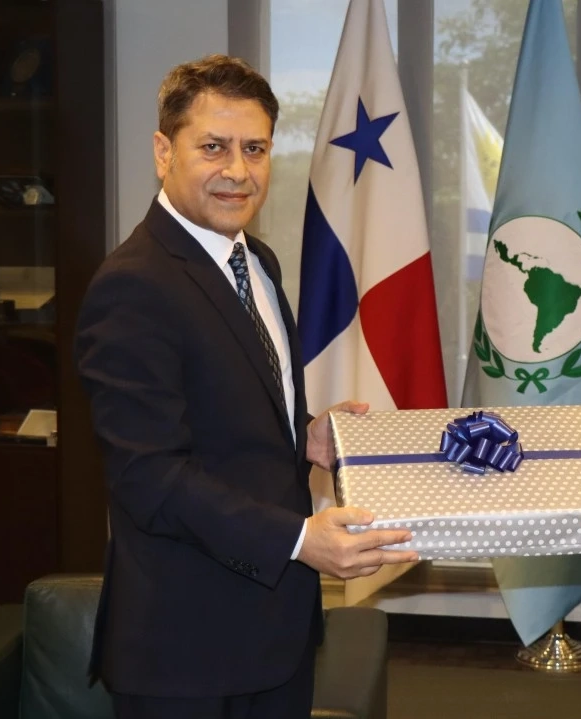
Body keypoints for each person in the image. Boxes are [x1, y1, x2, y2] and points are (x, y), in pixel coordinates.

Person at [74, 54, 418, 719]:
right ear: (163, 152)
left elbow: (231, 412)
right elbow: (150, 477)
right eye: (214, 147)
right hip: (186, 647)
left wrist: (303, 434)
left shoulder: (255, 260)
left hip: (276, 631)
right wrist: (300, 540)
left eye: (255, 149)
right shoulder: (133, 285)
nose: (238, 170)